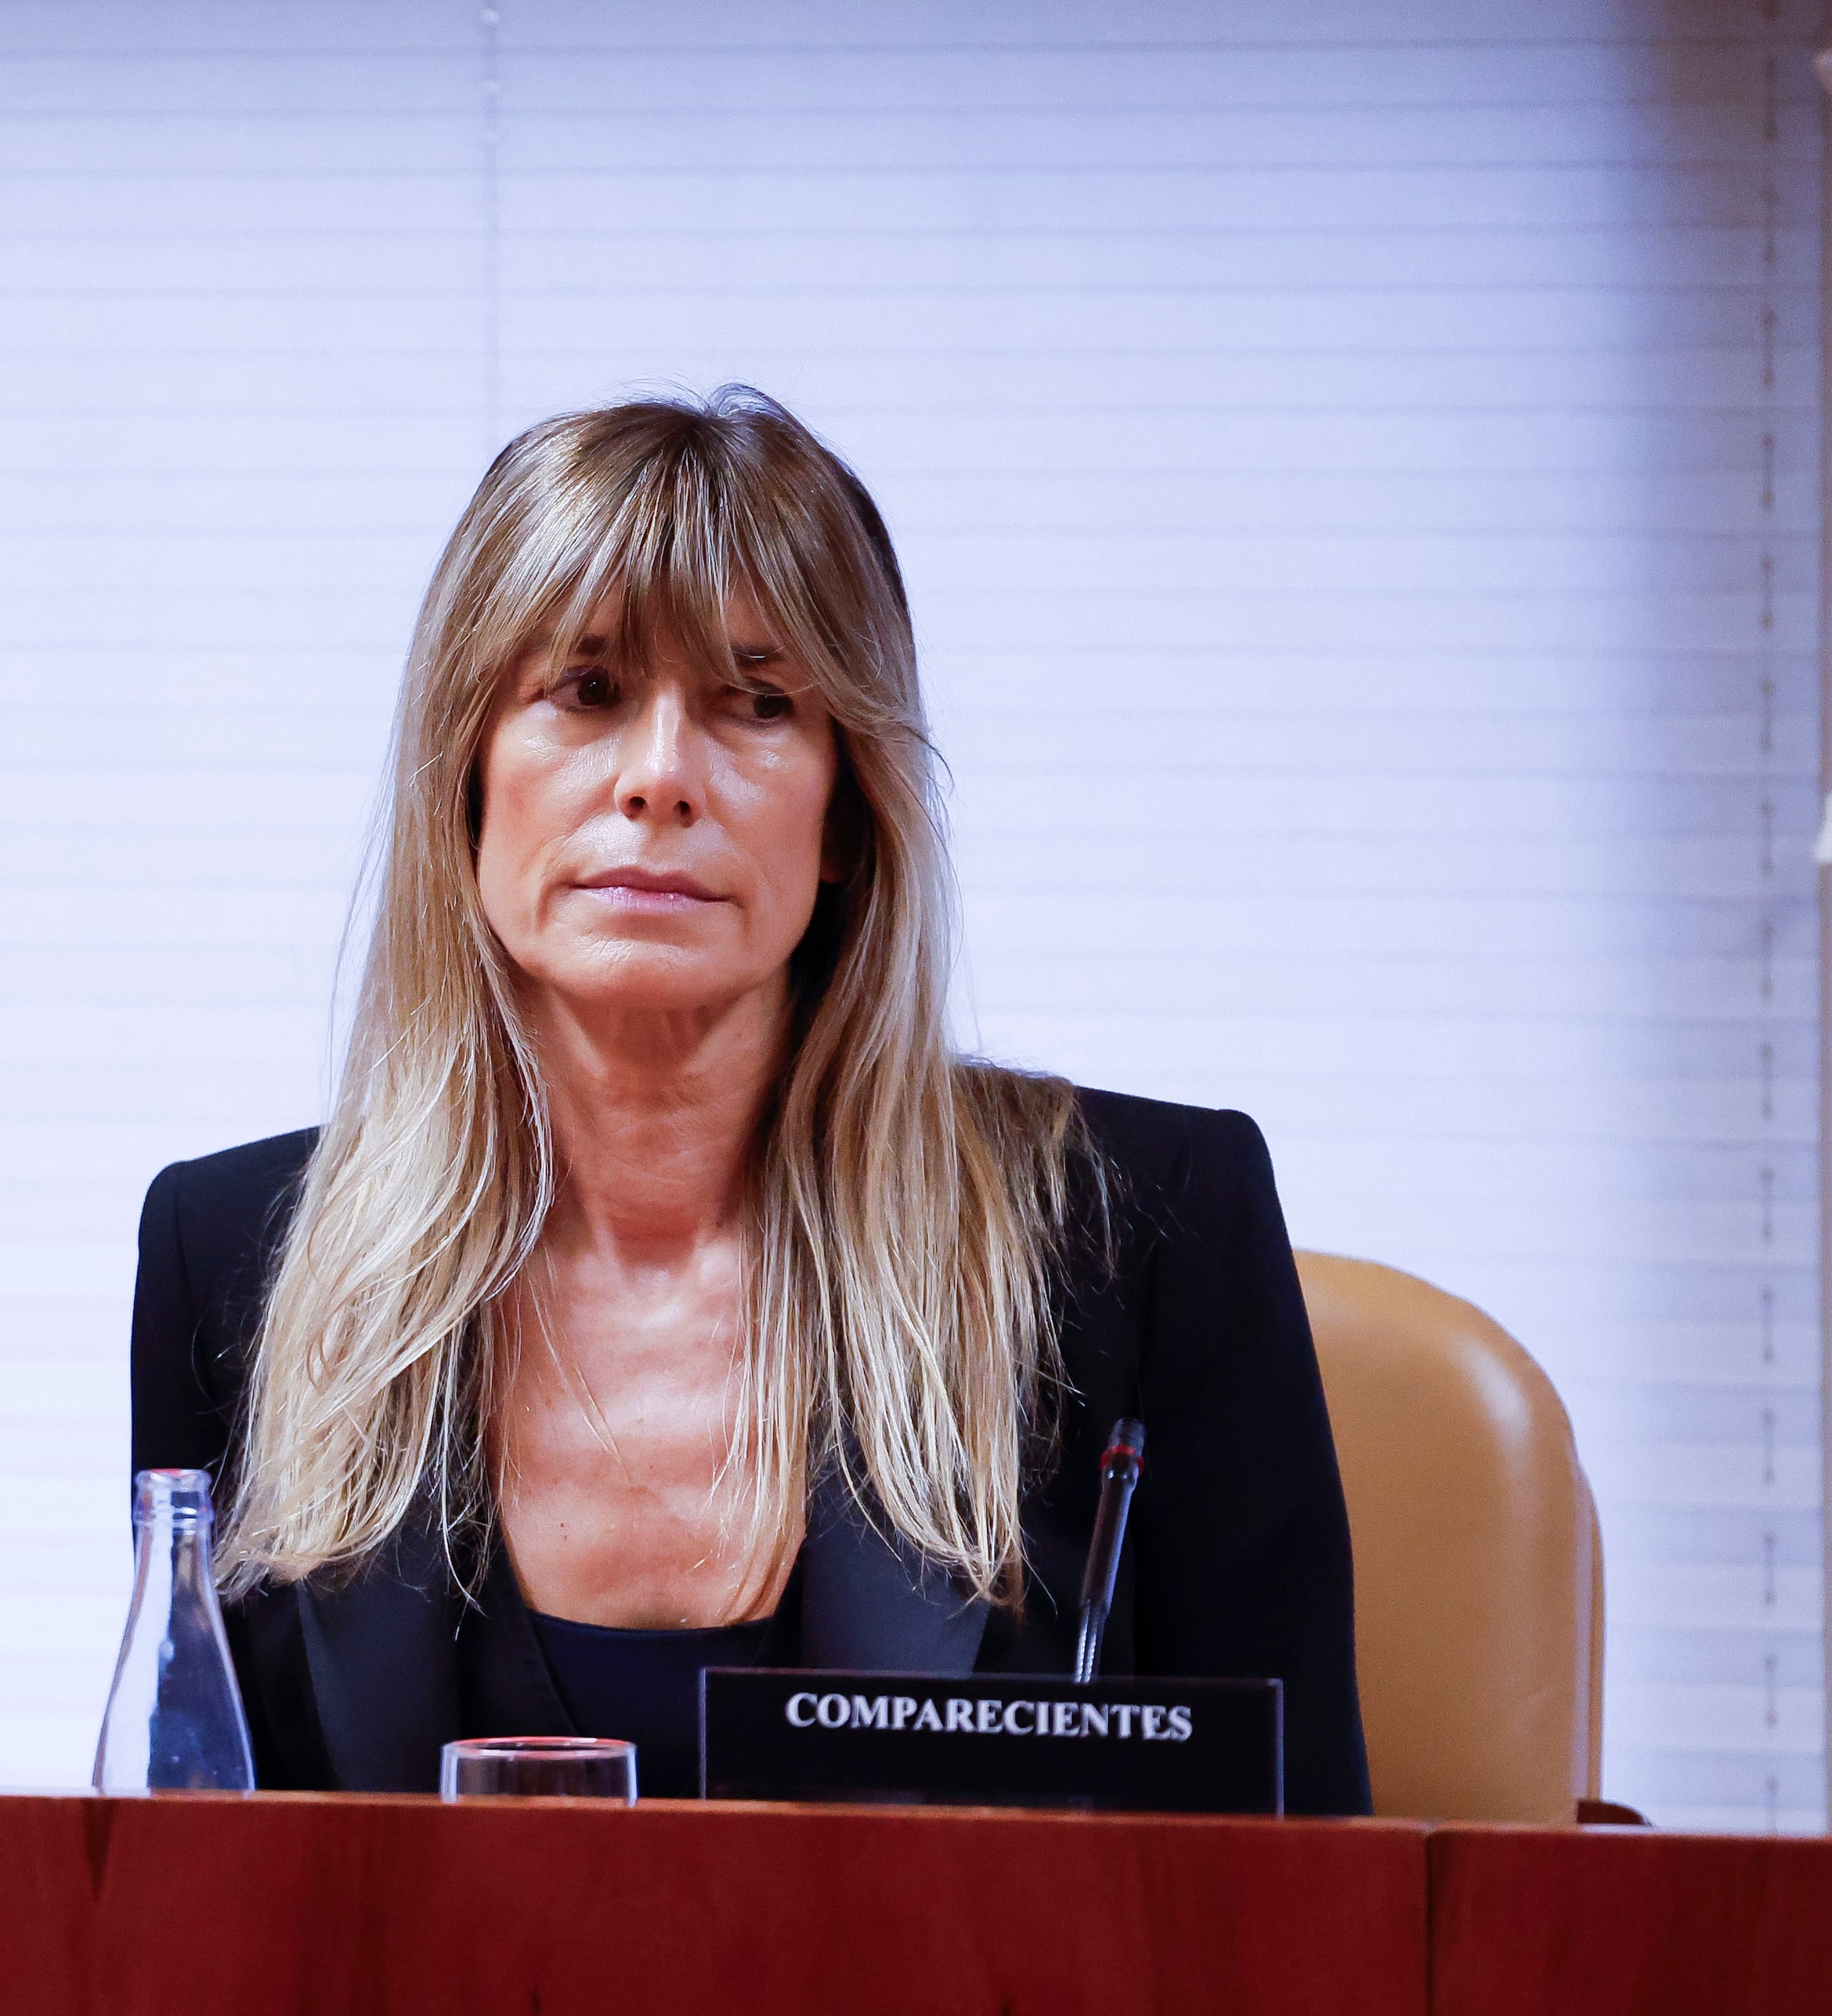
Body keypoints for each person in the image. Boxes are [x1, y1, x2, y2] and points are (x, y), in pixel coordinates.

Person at [129, 390, 1370, 1809]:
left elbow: (1306, 1918)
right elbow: (197, 1912)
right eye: (586, 690)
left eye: (758, 703)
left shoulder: (1149, 1235)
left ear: (847, 811)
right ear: (468, 777)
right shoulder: (229, 1263)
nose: (660, 777)